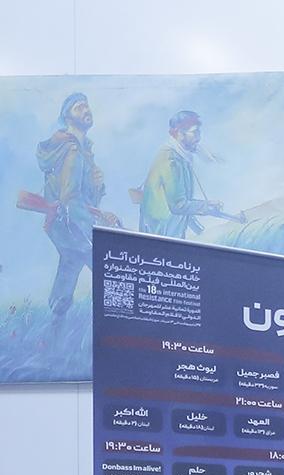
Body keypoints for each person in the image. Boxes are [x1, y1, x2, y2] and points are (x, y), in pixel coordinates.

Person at [34, 93, 118, 321]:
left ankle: (55, 315)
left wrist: (97, 185)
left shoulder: (83, 149)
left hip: (67, 223)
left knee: (70, 263)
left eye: (86, 106)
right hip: (70, 222)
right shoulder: (72, 150)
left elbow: (83, 195)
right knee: (104, 266)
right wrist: (96, 225)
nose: (86, 110)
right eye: (79, 107)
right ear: (67, 117)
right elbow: (70, 199)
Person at [138, 111, 238, 239]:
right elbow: (178, 205)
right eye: (194, 132)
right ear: (180, 133)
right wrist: (206, 206)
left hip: (169, 235)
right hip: (160, 237)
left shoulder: (181, 157)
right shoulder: (171, 160)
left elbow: (183, 205)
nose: (198, 138)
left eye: (199, 132)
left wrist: (200, 229)